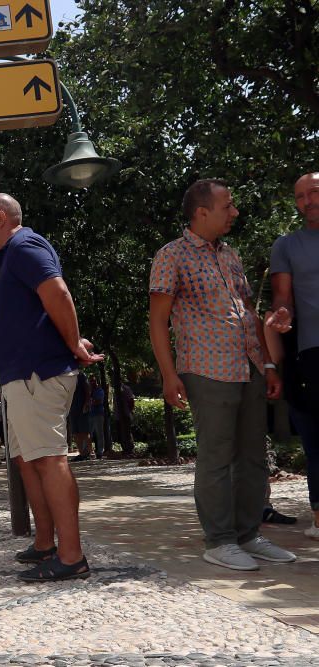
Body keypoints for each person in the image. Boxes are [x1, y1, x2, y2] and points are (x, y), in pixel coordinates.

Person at [149, 178, 295, 571]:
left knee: (252, 456)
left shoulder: (230, 255)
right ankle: (219, 540)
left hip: (247, 365)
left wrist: (266, 363)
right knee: (215, 457)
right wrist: (168, 374)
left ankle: (248, 534)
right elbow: (158, 321)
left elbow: (248, 313)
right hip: (206, 368)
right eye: (227, 206)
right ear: (201, 212)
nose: (234, 212)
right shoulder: (171, 256)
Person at [0, 193, 100, 582]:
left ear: (0, 217)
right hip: (22, 377)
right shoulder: (14, 252)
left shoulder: (25, 245)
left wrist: (75, 342)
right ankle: (46, 543)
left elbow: (58, 293)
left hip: (37, 375)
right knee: (29, 460)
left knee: (48, 458)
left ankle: (72, 555)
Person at [266, 171, 319, 539]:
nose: (307, 202)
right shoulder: (286, 245)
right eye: (300, 197)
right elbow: (282, 297)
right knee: (316, 438)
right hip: (312, 351)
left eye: (313, 193)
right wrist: (283, 314)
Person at [68, 373, 92, 462]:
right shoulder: (67, 376)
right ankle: (82, 453)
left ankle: (89, 452)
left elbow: (87, 389)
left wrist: (87, 402)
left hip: (82, 407)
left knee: (84, 431)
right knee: (75, 432)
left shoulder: (81, 375)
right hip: (72, 408)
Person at [88, 377, 107, 459]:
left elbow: (98, 401)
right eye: (90, 381)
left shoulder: (99, 390)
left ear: (96, 381)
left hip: (98, 414)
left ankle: (100, 452)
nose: (92, 382)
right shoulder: (89, 391)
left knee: (99, 434)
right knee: (89, 434)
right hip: (90, 414)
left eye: (93, 381)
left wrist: (90, 401)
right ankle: (89, 452)